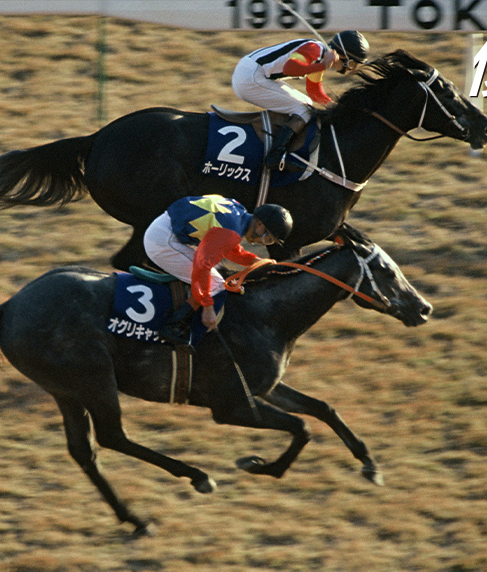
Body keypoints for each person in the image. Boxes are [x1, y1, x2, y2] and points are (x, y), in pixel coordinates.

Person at [143, 195, 293, 346]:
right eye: (268, 239)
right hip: (162, 241)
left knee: (214, 280)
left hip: (164, 230)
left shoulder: (237, 212)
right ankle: (177, 330)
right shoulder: (231, 232)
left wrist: (256, 261)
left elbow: (228, 249)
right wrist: (208, 307)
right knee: (216, 285)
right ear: (260, 225)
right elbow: (202, 264)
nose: (263, 244)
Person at [232, 30, 370, 170]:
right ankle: (275, 156)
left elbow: (314, 91)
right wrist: (323, 66)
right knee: (304, 108)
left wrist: (336, 107)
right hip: (249, 77)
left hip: (249, 73)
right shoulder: (315, 49)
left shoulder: (319, 53)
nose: (353, 69)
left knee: (305, 103)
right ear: (344, 57)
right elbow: (290, 68)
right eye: (353, 64)